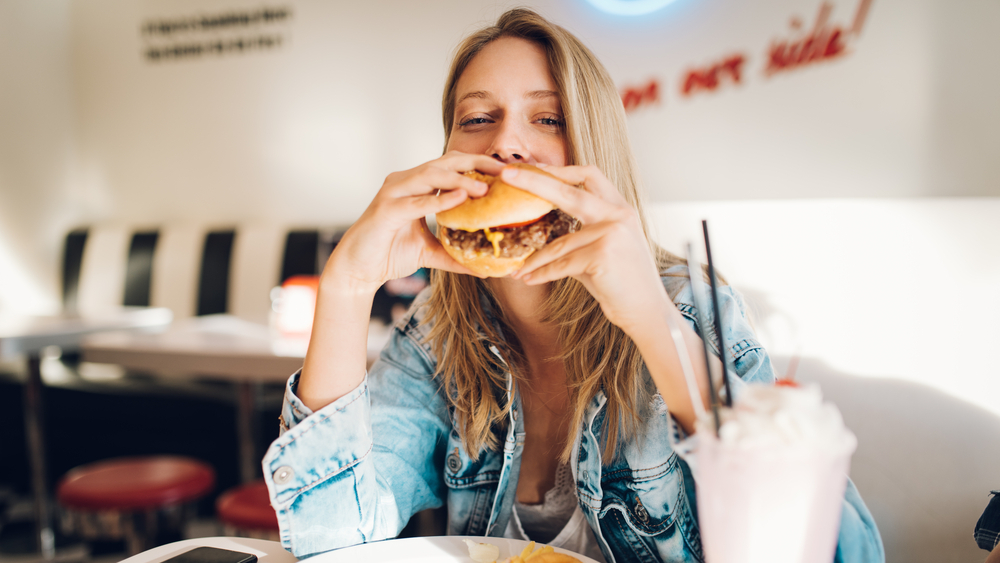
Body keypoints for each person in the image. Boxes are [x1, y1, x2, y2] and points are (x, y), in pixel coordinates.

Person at [262, 8, 884, 562]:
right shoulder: (436, 336)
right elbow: (330, 543)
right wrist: (345, 286)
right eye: (477, 118)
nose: (506, 143)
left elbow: (845, 551)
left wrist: (652, 321)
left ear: (593, 150)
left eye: (549, 118)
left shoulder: (691, 308)